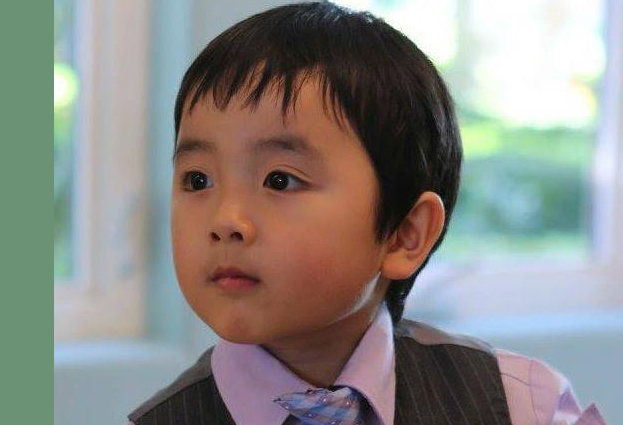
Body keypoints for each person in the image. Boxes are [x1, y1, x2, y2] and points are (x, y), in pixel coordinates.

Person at [127, 2, 608, 424]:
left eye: (280, 180)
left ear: (404, 234)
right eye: (198, 180)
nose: (226, 221)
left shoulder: (524, 406)